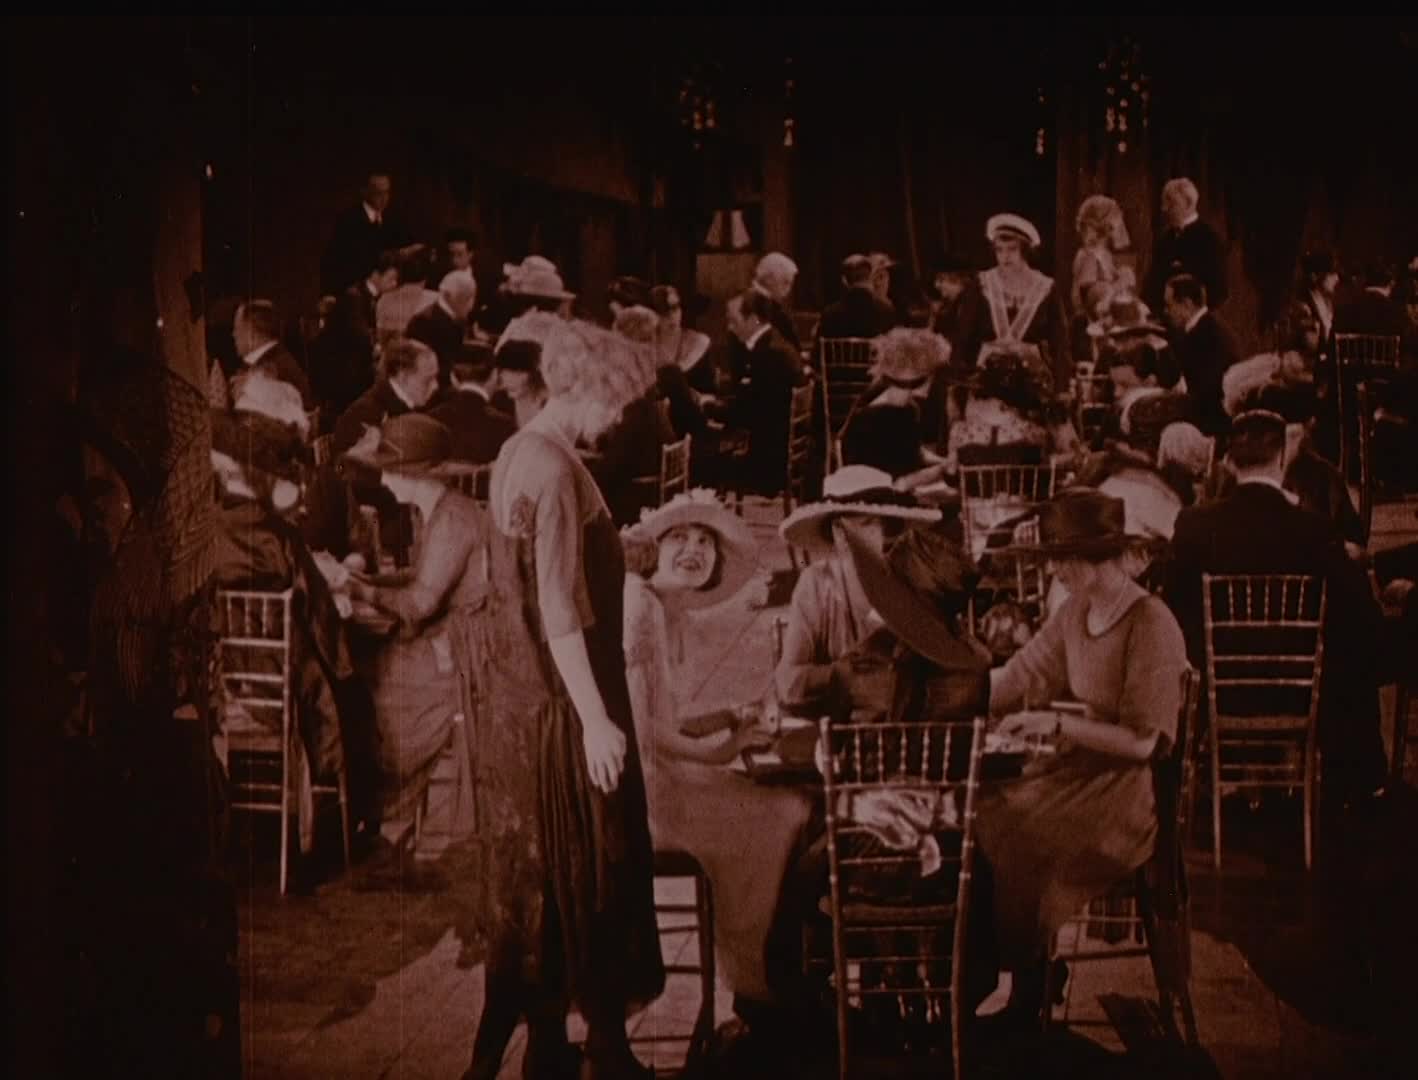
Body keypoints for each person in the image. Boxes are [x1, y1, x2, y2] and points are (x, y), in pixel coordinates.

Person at [458, 319, 663, 1080]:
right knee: (594, 873)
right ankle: (607, 1050)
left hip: (524, 708)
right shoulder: (554, 469)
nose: (617, 419)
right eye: (615, 403)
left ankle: (550, 1046)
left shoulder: (518, 452)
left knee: (541, 880)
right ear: (586, 391)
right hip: (568, 699)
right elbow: (556, 608)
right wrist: (597, 721)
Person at [973, 489, 1189, 1022]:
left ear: (1098, 557)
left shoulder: (1152, 623)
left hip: (1131, 794)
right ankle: (1017, 973)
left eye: (1063, 559)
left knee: (1021, 834)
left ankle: (1026, 990)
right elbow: (1019, 675)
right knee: (984, 811)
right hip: (1083, 771)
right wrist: (952, 689)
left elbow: (1144, 743)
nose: (1055, 571)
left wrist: (1057, 722)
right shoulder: (1077, 611)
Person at [620, 490, 814, 1039]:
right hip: (643, 795)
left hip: (663, 774)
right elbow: (637, 730)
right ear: (653, 547)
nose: (694, 550)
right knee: (785, 814)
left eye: (706, 542)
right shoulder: (637, 606)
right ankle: (760, 983)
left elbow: (665, 717)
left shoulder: (665, 609)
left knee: (784, 804)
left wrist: (727, 717)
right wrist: (717, 752)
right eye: (679, 538)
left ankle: (773, 975)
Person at [342, 414, 490, 885]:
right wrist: (368, 579)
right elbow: (419, 579)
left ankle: (389, 830)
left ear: (418, 475)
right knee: (367, 670)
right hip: (447, 640)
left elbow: (421, 603)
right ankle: (384, 827)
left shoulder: (454, 520)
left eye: (391, 471)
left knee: (382, 689)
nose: (384, 481)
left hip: (464, 654)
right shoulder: (439, 511)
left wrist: (358, 589)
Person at [775, 466, 941, 713]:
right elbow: (787, 683)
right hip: (832, 726)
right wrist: (839, 675)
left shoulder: (910, 581)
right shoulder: (817, 585)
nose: (878, 538)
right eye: (866, 525)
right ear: (838, 533)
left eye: (882, 526)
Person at [955, 213, 1071, 391]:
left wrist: (1062, 388)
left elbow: (1060, 343)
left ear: (1024, 250)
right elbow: (963, 336)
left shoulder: (1046, 288)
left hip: (1032, 381)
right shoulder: (982, 284)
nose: (1005, 256)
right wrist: (959, 381)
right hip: (986, 381)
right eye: (999, 250)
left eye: (1011, 249)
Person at [839, 327, 951, 480]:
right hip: (871, 489)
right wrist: (939, 470)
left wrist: (944, 462)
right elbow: (898, 482)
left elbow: (915, 453)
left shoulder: (905, 407)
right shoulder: (878, 417)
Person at [1145, 177, 1228, 312]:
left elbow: (1219, 290)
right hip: (1163, 317)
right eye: (1163, 203)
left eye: (1171, 203)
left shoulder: (1209, 239)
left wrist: (1192, 315)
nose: (1164, 208)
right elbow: (1152, 283)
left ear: (1188, 204)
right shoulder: (1165, 239)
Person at [1070, 194, 1135, 315]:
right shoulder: (1089, 257)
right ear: (1107, 226)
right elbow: (1093, 305)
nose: (1121, 227)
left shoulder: (1105, 255)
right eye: (1117, 221)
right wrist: (1119, 284)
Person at [818, 253, 898, 340]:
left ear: (844, 281)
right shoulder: (886, 312)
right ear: (869, 277)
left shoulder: (829, 315)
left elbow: (819, 347)